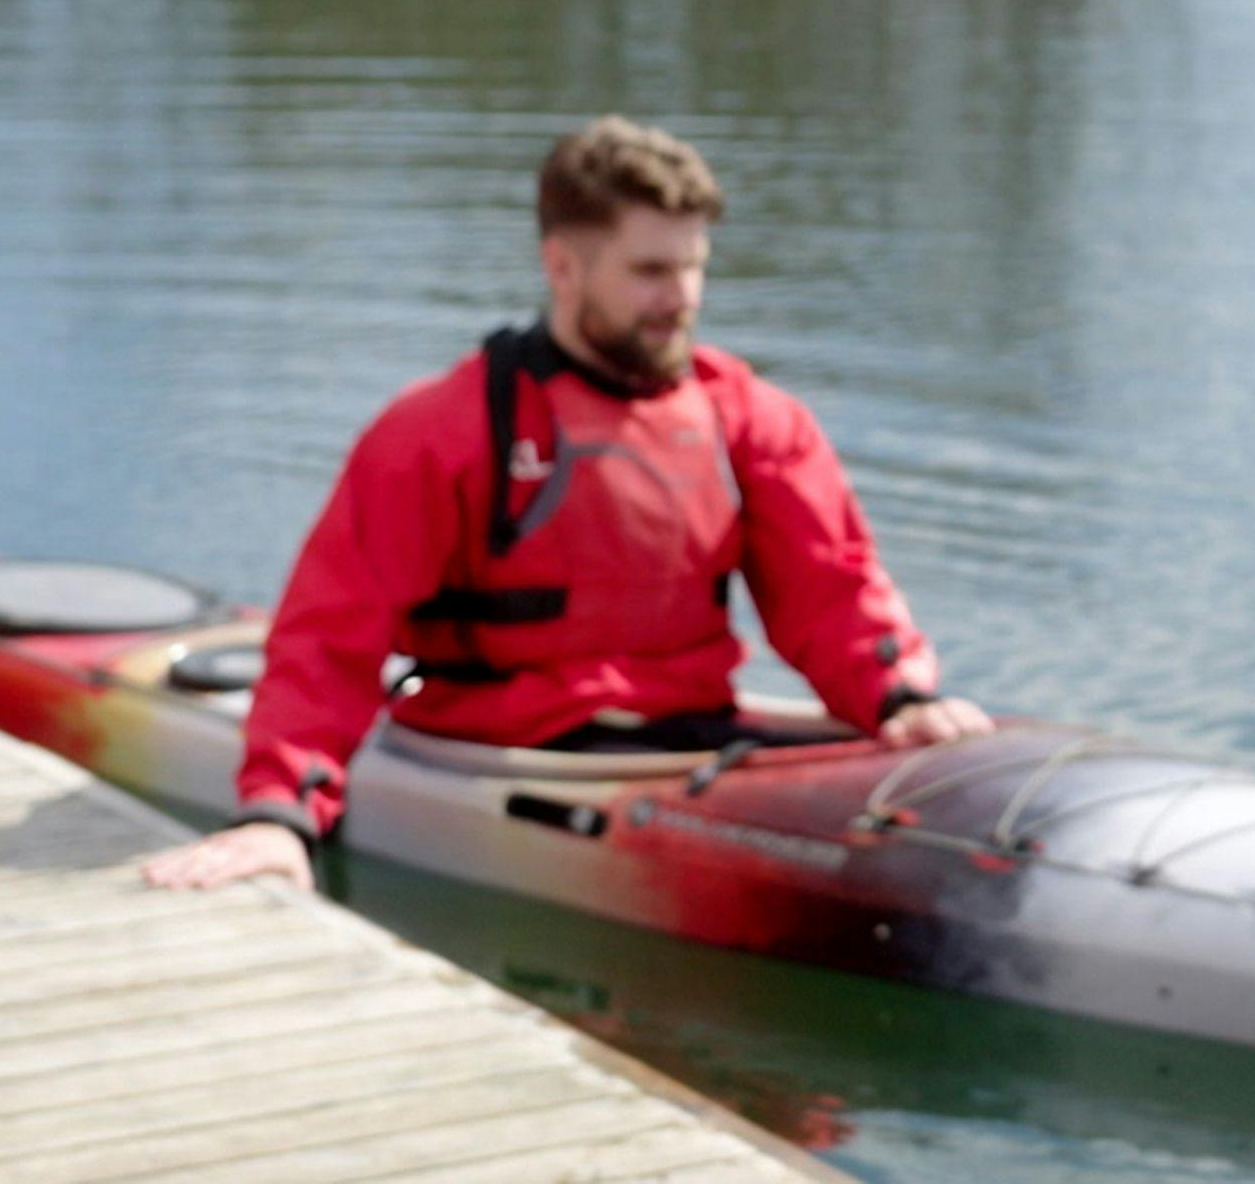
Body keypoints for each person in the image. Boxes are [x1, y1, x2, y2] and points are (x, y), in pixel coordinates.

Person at [145, 117, 993, 892]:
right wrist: (277, 810)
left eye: (694, 267)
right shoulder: (442, 432)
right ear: (563, 266)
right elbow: (331, 634)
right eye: (650, 272)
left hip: (689, 738)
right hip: (515, 749)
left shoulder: (749, 419)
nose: (683, 297)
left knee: (941, 779)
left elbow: (831, 586)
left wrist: (898, 698)